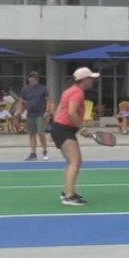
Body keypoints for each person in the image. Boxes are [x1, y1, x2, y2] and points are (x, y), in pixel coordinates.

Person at [51, 67, 100, 206]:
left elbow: (60, 108)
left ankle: (69, 191)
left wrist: (54, 128)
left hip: (61, 128)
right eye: (90, 78)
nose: (92, 80)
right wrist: (83, 129)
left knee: (73, 161)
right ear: (83, 80)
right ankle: (69, 196)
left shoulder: (69, 91)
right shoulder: (77, 92)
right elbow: (72, 113)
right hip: (64, 129)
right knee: (75, 161)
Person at [20, 71, 52, 161]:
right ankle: (33, 153)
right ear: (29, 79)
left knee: (41, 132)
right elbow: (22, 101)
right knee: (31, 134)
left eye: (36, 78)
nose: (35, 80)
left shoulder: (43, 88)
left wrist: (47, 111)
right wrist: (20, 111)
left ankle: (45, 151)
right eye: (33, 78)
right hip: (30, 114)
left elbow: (48, 100)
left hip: (41, 114)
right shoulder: (25, 89)